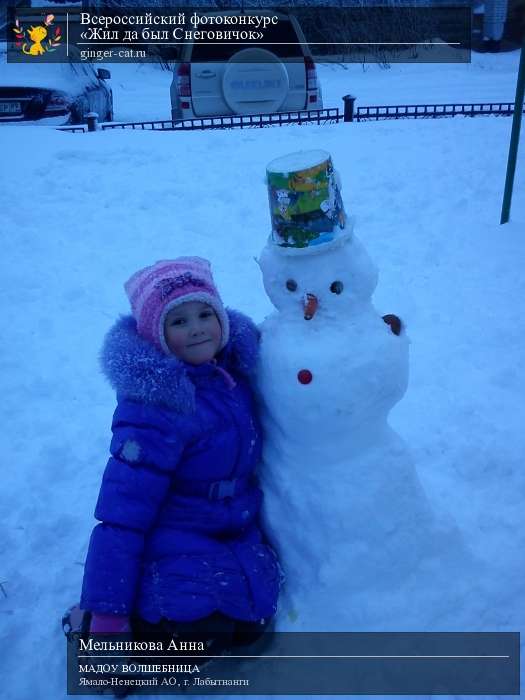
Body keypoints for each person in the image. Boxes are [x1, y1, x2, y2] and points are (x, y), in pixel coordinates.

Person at [79, 257, 281, 658]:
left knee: (251, 630)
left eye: (205, 313)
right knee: (191, 642)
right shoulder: (153, 410)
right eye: (178, 321)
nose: (196, 329)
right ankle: (90, 633)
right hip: (174, 536)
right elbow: (122, 514)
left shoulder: (233, 376)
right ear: (155, 334)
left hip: (233, 530)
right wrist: (107, 613)